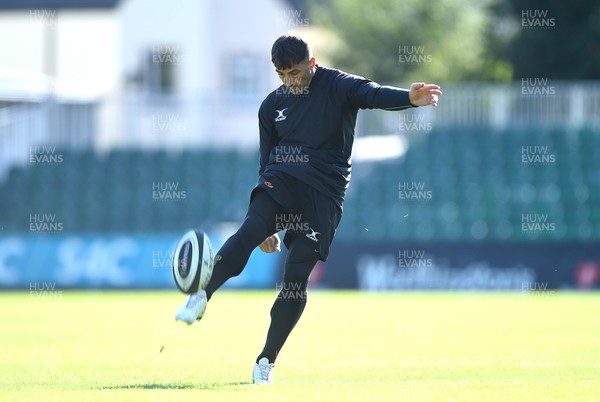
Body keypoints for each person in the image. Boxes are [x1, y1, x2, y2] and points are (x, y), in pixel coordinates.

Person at [175, 34, 442, 384]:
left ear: (312, 63)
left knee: (294, 281)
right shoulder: (271, 106)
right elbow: (265, 159)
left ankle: (265, 361)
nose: (291, 80)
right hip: (281, 179)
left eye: (296, 72)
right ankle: (201, 295)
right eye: (282, 73)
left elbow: (373, 94)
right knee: (250, 230)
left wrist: (408, 99)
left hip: (324, 195)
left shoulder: (338, 85)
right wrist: (267, 224)